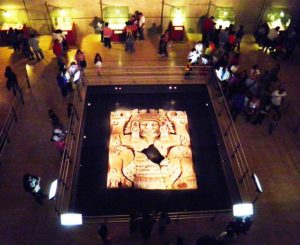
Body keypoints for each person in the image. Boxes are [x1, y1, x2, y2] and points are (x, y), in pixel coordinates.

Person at [107, 109, 198, 190]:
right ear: (137, 127)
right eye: (144, 124)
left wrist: (179, 124)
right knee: (118, 150)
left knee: (182, 150)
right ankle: (116, 175)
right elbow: (116, 141)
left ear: (161, 126)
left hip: (166, 174)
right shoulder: (133, 140)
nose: (149, 127)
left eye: (154, 124)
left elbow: (183, 141)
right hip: (138, 172)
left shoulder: (167, 140)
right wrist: (119, 124)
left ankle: (186, 175)